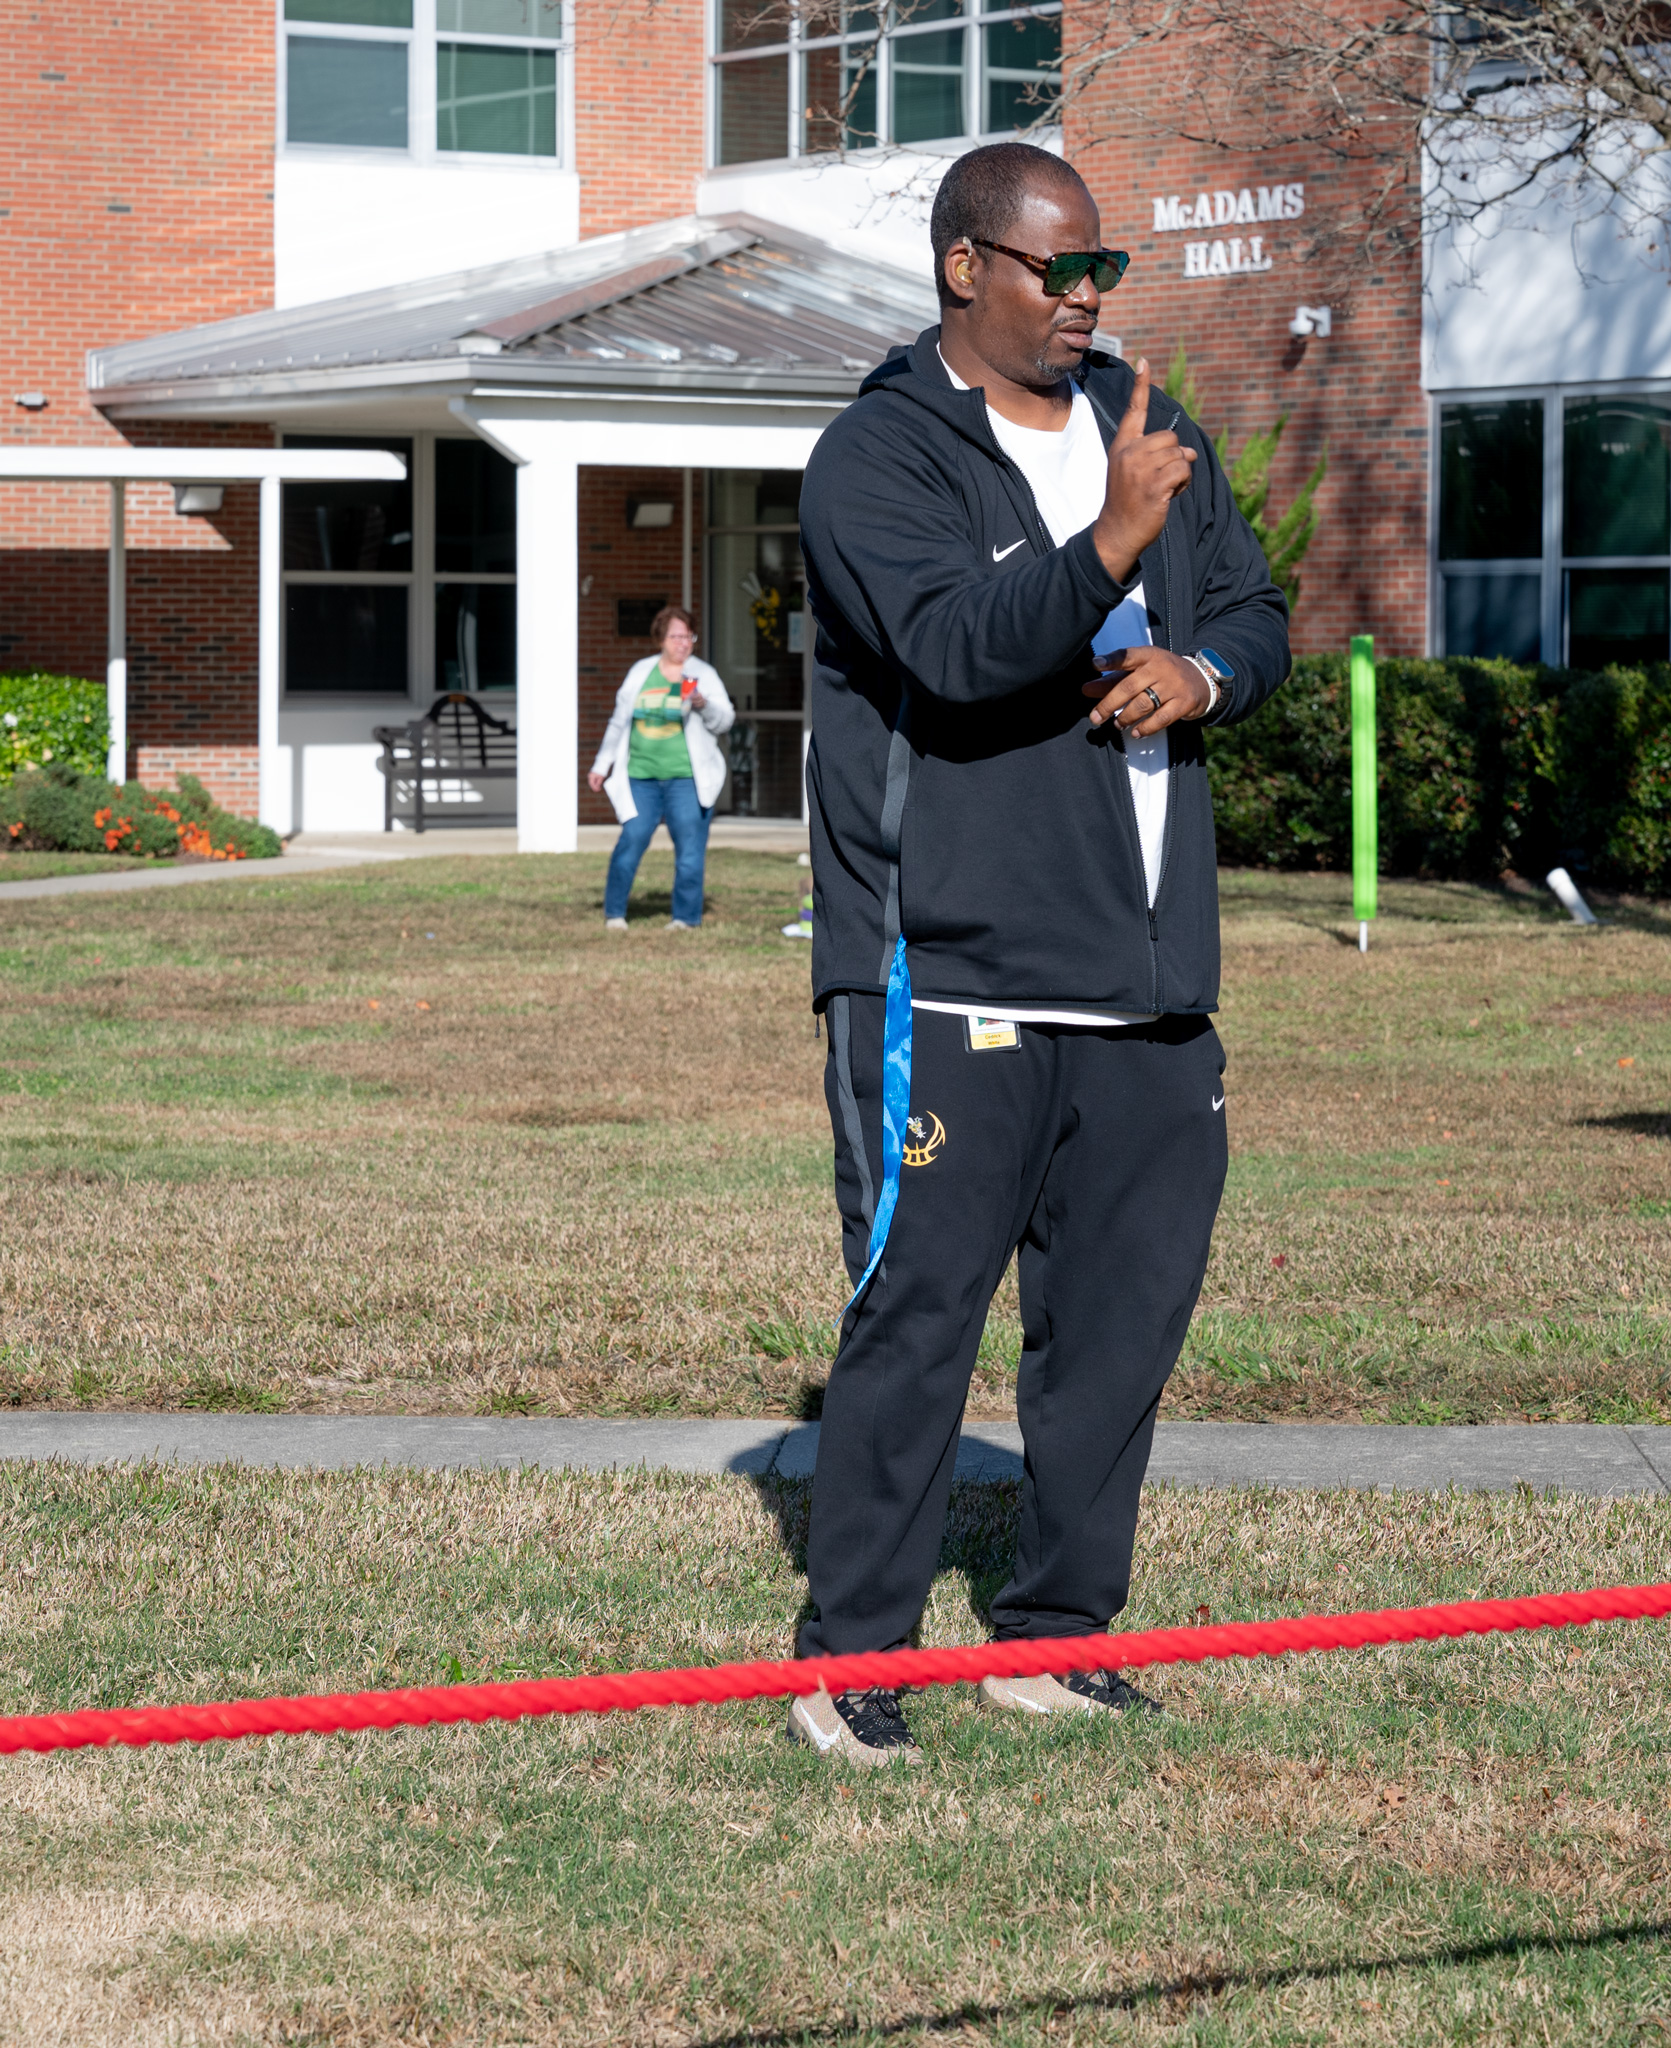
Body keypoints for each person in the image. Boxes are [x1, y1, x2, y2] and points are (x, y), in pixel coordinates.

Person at [788, 142, 1291, 1766]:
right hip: (945, 974)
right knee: (916, 1319)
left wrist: (1202, 672)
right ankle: (851, 1656)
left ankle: (1057, 1635)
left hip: (1147, 987)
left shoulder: (1147, 430)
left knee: (1118, 1332)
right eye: (1054, 270)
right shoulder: (877, 457)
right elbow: (948, 648)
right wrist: (1105, 554)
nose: (1084, 300)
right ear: (962, 269)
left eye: (1103, 273)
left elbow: (1260, 610)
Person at [588, 605, 735, 930]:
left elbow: (725, 721)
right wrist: (602, 764)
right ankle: (614, 914)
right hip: (640, 777)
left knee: (689, 851)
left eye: (688, 636)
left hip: (687, 779)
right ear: (661, 638)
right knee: (633, 838)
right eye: (676, 636)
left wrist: (701, 703)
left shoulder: (703, 674)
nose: (683, 643)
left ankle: (684, 918)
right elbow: (618, 722)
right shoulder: (641, 671)